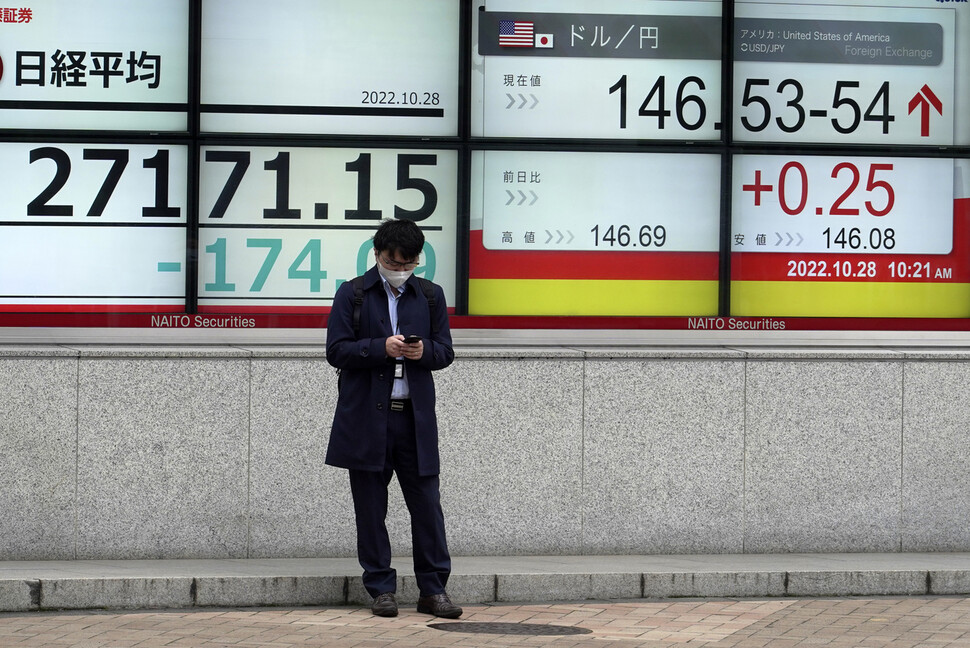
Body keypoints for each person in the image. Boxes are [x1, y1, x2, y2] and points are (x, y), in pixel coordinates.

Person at [325, 219, 461, 619]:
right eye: (392, 261)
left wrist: (426, 354)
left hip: (414, 421)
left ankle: (433, 590)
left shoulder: (430, 296)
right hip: (367, 419)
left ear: (418, 259)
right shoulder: (353, 294)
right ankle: (381, 589)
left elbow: (446, 352)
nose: (400, 268)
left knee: (428, 507)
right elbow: (336, 350)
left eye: (408, 262)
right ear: (377, 254)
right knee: (370, 508)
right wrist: (380, 348)